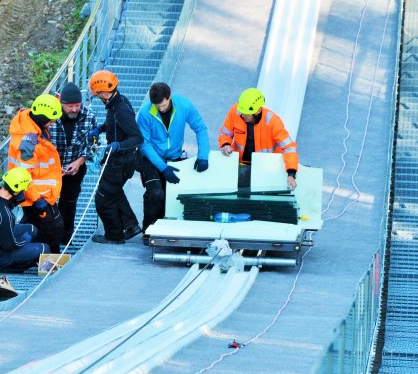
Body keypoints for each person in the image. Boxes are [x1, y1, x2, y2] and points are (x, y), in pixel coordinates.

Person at [136, 82, 210, 235]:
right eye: (157, 106)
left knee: (171, 196)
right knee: (156, 194)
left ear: (169, 97)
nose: (161, 109)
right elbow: (144, 144)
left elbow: (200, 128)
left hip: (174, 156)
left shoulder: (184, 106)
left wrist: (203, 156)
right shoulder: (144, 113)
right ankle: (148, 231)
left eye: (163, 105)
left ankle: (164, 230)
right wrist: (163, 168)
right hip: (150, 158)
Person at [88, 69, 144, 244]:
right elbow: (113, 124)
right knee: (114, 191)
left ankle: (114, 235)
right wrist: (100, 129)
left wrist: (118, 145)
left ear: (105, 93)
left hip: (121, 162)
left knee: (104, 198)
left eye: (97, 94)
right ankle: (131, 225)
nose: (97, 96)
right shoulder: (117, 102)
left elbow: (137, 138)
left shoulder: (121, 110)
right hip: (119, 160)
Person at [7, 94, 65, 253]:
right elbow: (23, 175)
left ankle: (39, 259)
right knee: (51, 230)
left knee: (41, 229)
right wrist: (37, 200)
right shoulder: (29, 143)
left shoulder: (34, 127)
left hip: (39, 194)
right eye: (50, 121)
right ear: (42, 117)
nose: (52, 124)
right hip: (36, 196)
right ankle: (45, 260)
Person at [218, 88, 298, 190]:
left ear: (258, 111)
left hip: (265, 168)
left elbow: (289, 147)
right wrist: (225, 144)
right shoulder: (235, 111)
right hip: (240, 164)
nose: (242, 115)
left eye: (246, 113)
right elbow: (225, 133)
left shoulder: (273, 122)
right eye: (242, 112)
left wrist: (291, 173)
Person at [53, 82, 100, 243]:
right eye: (70, 106)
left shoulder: (89, 116)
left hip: (75, 168)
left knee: (69, 203)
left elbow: (93, 145)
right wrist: (54, 167)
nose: (74, 109)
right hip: (51, 169)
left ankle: (65, 238)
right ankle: (49, 237)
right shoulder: (51, 116)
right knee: (47, 203)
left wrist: (79, 162)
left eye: (77, 106)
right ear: (61, 104)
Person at [0, 168, 49, 272]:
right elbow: (10, 246)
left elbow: (3, 200)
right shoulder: (5, 216)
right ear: (16, 192)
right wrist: (25, 239)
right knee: (44, 248)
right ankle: (9, 268)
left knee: (32, 229)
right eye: (23, 190)